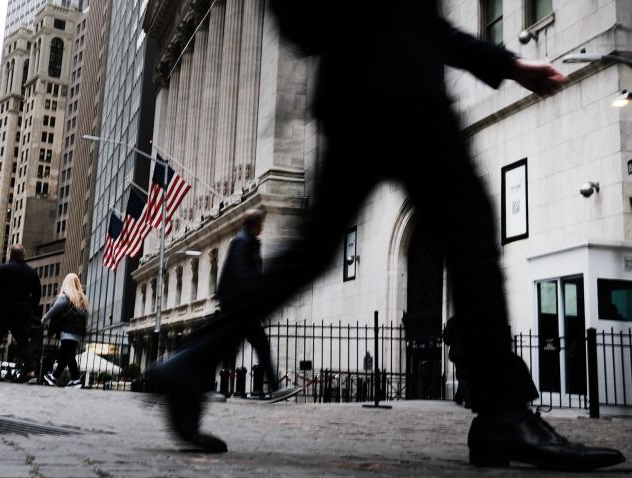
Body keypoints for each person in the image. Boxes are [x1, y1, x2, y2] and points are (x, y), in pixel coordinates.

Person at [148, 1, 626, 469]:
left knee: (314, 254)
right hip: (399, 88)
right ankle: (503, 412)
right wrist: (501, 62)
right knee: (470, 233)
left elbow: (417, 20)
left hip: (360, 87)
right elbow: (409, 20)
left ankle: (191, 363)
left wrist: (505, 62)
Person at [216, 208, 300, 402]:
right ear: (255, 225)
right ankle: (274, 387)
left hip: (241, 305)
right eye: (261, 224)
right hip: (238, 306)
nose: (262, 227)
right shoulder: (242, 242)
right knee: (247, 346)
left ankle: (274, 386)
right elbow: (242, 274)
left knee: (240, 347)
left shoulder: (248, 242)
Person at [0, 244, 41, 382]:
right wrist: (30, 307)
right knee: (23, 341)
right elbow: (37, 294)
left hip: (3, 310)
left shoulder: (3, 268)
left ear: (10, 255)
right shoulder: (31, 272)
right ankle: (31, 372)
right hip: (22, 312)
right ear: (24, 255)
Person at [42, 273, 89, 387]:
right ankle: (54, 377)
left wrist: (44, 319)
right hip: (78, 331)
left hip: (67, 330)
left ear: (66, 283)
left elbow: (54, 310)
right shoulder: (82, 298)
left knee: (69, 355)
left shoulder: (66, 296)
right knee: (65, 355)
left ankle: (76, 379)